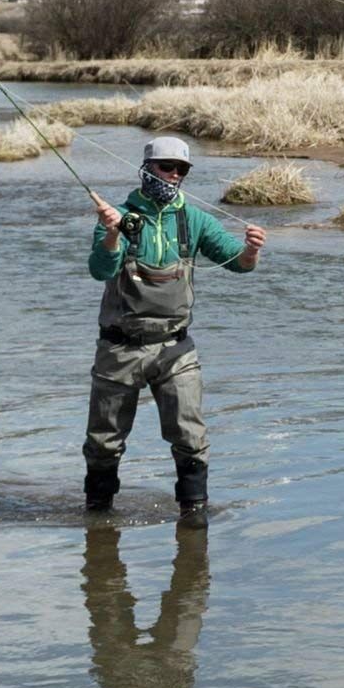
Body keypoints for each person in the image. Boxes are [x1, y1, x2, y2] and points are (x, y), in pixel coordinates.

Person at [84, 136, 266, 526]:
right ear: (147, 168)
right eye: (168, 167)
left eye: (182, 169)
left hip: (176, 350)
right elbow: (100, 269)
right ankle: (97, 521)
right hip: (119, 349)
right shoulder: (117, 215)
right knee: (103, 444)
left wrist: (250, 252)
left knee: (191, 440)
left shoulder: (195, 219)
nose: (175, 175)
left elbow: (237, 263)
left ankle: (194, 518)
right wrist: (113, 233)